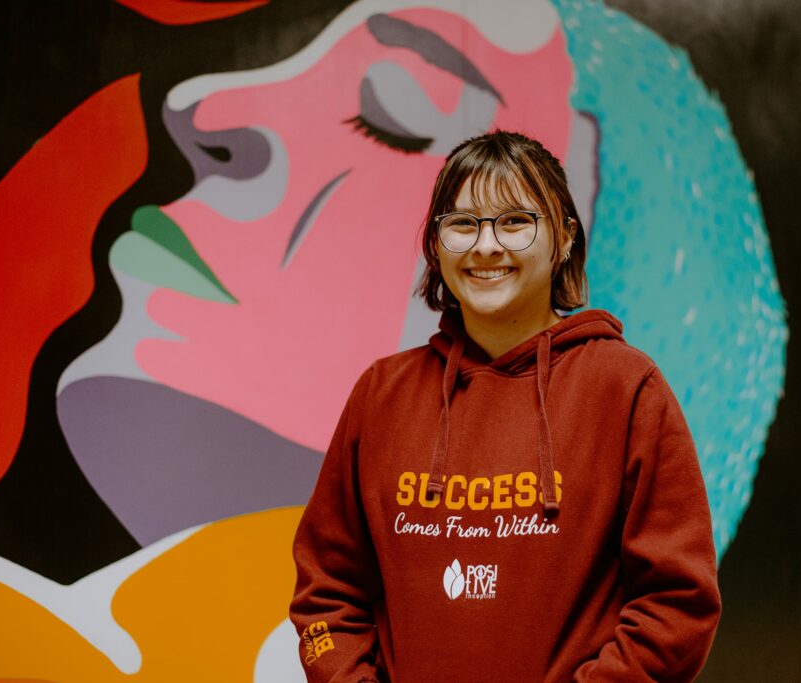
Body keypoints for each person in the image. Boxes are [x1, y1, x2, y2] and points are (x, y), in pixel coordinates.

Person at [289, 130, 721, 682]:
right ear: (436, 245)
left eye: (515, 221)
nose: (486, 246)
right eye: (463, 224)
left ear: (563, 238)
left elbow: (677, 603)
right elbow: (326, 592)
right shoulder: (381, 395)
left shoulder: (626, 388)